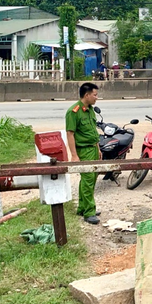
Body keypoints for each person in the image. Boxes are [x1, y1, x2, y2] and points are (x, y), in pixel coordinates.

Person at [65, 82, 102, 224]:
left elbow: (92, 131)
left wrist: (98, 148)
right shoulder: (73, 112)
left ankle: (83, 207)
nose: (96, 97)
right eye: (95, 95)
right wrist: (74, 155)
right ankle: (89, 212)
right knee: (88, 180)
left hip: (93, 148)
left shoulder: (90, 110)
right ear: (87, 95)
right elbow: (70, 134)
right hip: (84, 150)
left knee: (91, 179)